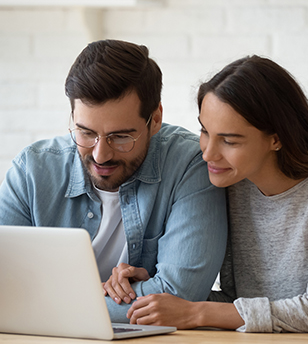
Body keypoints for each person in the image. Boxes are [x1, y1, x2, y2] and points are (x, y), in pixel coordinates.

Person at [124, 55, 308, 334]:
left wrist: (196, 311)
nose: (207, 153)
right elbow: (241, 307)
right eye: (205, 131)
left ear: (276, 138)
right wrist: (155, 290)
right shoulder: (234, 182)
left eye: (229, 140)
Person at [0, 39, 227, 322]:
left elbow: (180, 294)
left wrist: (47, 304)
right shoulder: (31, 171)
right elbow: (6, 289)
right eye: (85, 133)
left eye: (120, 137)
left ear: (155, 119)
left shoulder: (190, 165)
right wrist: (121, 295)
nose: (101, 154)